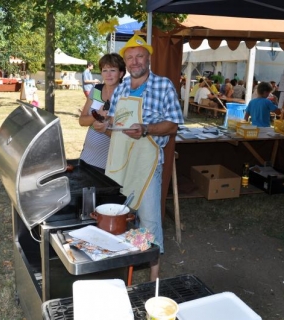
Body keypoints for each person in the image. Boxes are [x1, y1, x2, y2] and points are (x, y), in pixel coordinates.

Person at [96, 35, 184, 281]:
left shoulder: (163, 85)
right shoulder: (122, 87)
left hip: (147, 159)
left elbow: (173, 125)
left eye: (139, 56)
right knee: (122, 212)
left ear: (148, 58)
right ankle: (125, 268)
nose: (135, 62)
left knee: (148, 216)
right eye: (130, 57)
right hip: (122, 157)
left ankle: (153, 278)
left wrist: (146, 129)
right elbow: (115, 119)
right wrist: (105, 123)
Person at [79, 53, 126, 172]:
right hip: (88, 157)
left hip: (112, 161)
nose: (108, 74)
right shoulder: (96, 90)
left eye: (112, 70)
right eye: (104, 70)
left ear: (121, 73)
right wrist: (97, 116)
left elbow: (125, 134)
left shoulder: (126, 96)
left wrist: (106, 126)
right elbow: (82, 120)